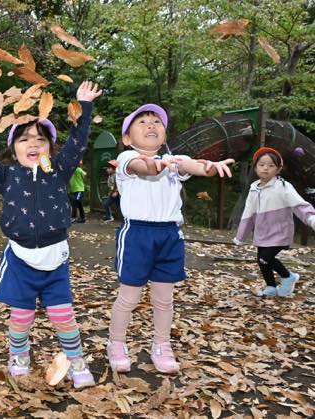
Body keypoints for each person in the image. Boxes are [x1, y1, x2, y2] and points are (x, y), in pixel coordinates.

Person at [0, 81, 102, 388]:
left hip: (55, 260)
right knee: (21, 316)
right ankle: (19, 356)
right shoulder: (7, 174)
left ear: (50, 148)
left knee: (63, 316)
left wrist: (84, 107)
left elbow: (77, 143)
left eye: (41, 139)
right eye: (24, 139)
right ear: (13, 148)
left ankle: (75, 360)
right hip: (20, 260)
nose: (33, 144)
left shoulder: (57, 171)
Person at [107, 104, 234, 375]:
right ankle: (116, 344)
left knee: (164, 299)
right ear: (127, 137)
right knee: (129, 297)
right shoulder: (127, 158)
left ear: (164, 135)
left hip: (169, 235)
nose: (151, 125)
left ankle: (161, 345)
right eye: (142, 121)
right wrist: (156, 165)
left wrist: (211, 166)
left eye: (157, 121)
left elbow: (195, 166)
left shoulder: (174, 160)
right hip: (137, 234)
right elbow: (144, 168)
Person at [233, 147, 315, 297]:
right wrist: (241, 236)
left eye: (271, 165)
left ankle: (288, 277)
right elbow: (248, 214)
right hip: (262, 232)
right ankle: (271, 287)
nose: (265, 168)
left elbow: (299, 205)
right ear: (255, 167)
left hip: (280, 231)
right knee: (261, 261)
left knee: (265, 258)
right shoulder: (254, 189)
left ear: (278, 169)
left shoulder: (283, 186)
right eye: (262, 165)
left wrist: (311, 218)